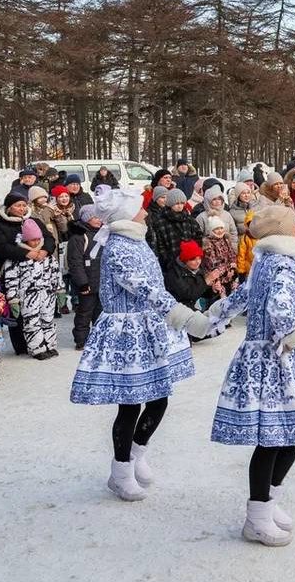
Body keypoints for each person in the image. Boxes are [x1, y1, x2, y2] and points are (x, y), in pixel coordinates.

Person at [70, 187, 211, 501]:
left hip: (150, 326)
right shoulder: (119, 246)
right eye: (139, 208)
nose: (145, 211)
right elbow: (143, 287)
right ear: (126, 216)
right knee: (131, 403)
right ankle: (120, 471)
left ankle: (136, 454)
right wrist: (180, 314)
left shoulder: (136, 238)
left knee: (160, 397)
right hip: (128, 332)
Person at [201, 205, 295, 547]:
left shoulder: (265, 261)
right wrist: (292, 334)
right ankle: (257, 517)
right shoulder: (282, 265)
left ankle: (267, 502)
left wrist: (211, 318)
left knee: (288, 434)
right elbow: (280, 308)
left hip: (271, 358)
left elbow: (241, 296)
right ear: (283, 232)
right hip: (276, 361)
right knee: (276, 437)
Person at [2, 219, 62, 360]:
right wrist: (13, 299)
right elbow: (11, 280)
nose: (35, 242)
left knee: (48, 319)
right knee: (32, 322)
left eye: (37, 239)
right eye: (32, 240)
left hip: (47, 294)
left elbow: (56, 273)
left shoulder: (47, 256)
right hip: (28, 296)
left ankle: (50, 345)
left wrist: (60, 290)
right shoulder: (17, 258)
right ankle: (37, 348)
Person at [68, 205, 103, 349]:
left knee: (101, 313)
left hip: (101, 281)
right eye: (95, 217)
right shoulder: (79, 237)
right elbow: (75, 262)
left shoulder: (103, 234)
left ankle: (100, 338)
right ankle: (81, 340)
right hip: (87, 282)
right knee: (84, 312)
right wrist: (82, 283)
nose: (98, 220)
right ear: (87, 219)